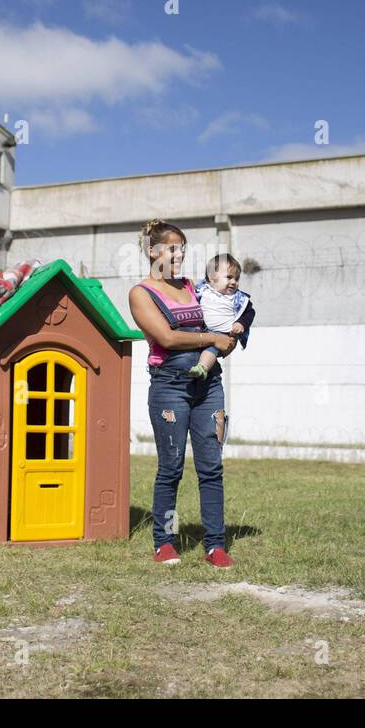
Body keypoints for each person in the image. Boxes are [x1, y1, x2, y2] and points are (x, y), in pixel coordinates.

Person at [128, 218, 237, 567]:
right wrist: (212, 339)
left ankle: (215, 545)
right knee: (171, 467)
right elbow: (168, 338)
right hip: (169, 388)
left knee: (211, 467)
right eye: (172, 249)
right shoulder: (141, 294)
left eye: (182, 250)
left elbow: (220, 322)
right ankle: (165, 541)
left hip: (209, 385)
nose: (178, 255)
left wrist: (228, 339)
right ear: (152, 251)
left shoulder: (194, 286)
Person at [187, 253, 255, 380]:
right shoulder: (203, 291)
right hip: (202, 330)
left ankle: (202, 368)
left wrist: (241, 323)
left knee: (212, 348)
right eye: (229, 277)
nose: (234, 282)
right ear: (212, 277)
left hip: (222, 333)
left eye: (237, 278)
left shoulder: (237, 298)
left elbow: (249, 313)